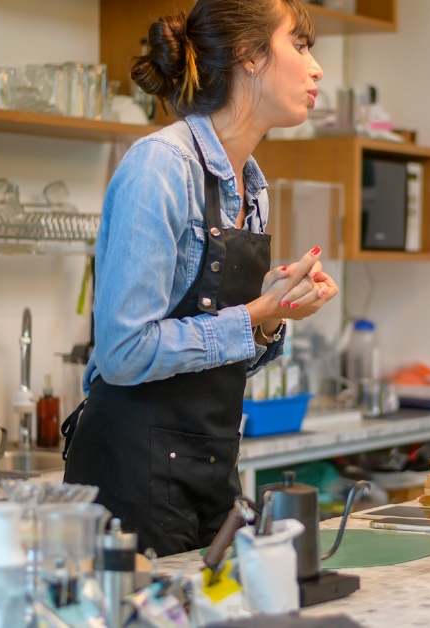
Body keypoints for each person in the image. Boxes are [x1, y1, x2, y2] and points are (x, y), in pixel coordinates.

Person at [62, 0, 333, 557]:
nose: (316, 68)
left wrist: (271, 319)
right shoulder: (160, 165)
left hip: (210, 473)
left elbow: (225, 352)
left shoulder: (251, 184)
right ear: (248, 57)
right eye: (300, 46)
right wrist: (251, 318)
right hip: (131, 478)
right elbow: (124, 351)